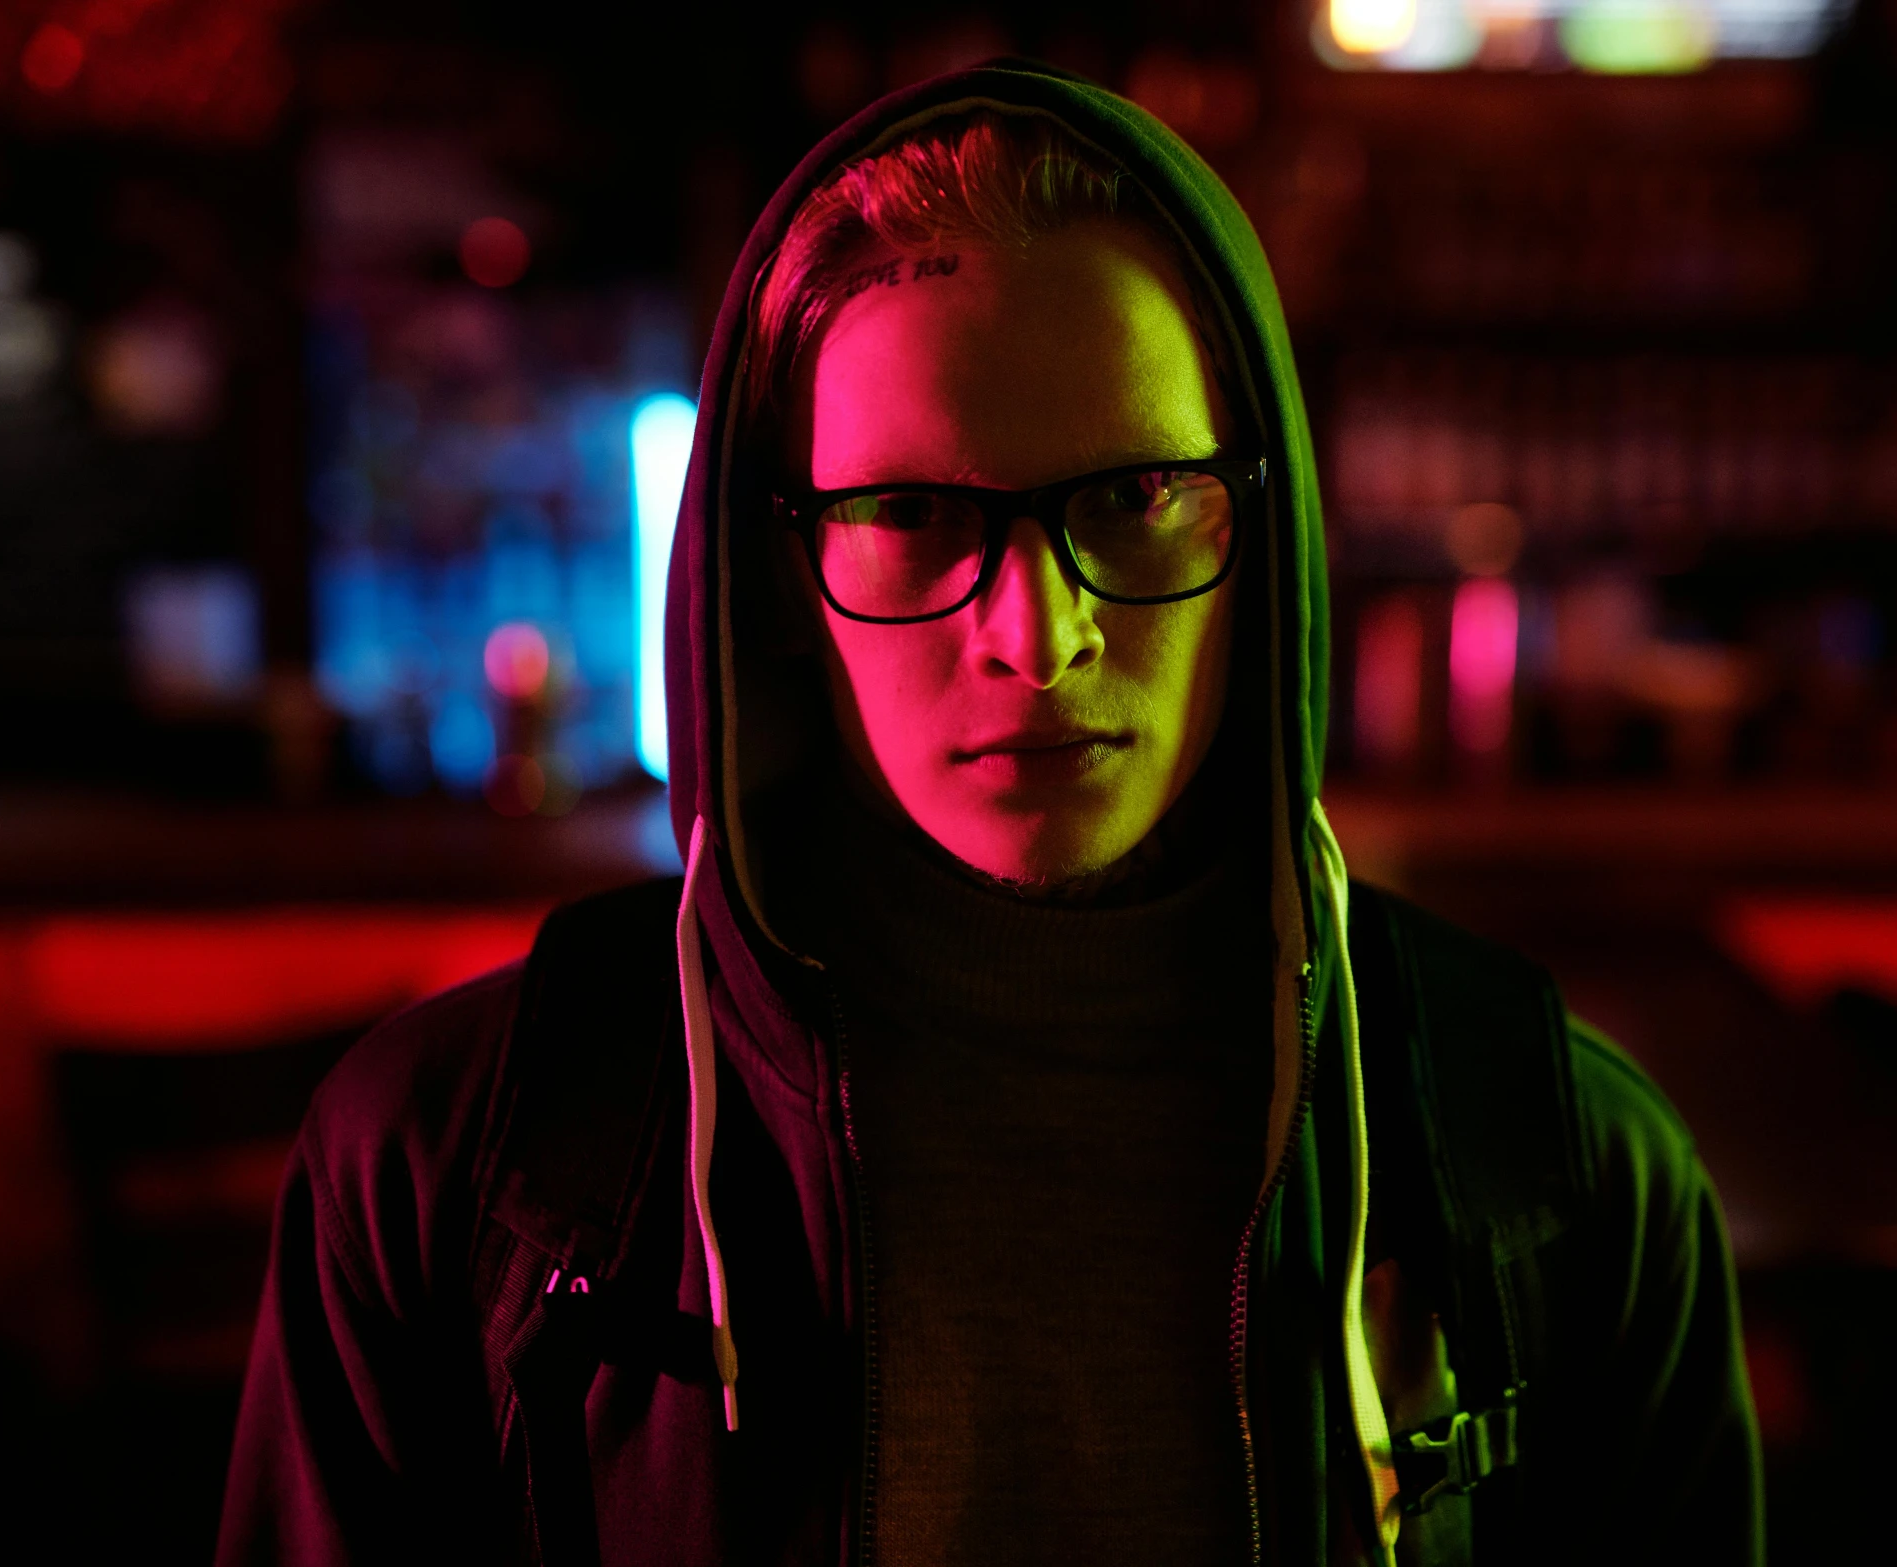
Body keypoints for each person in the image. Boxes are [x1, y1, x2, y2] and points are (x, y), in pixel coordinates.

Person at [219, 61, 1760, 1567]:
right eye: (911, 514)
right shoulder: (458, 1170)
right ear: (769, 573)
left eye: (1134, 496)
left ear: (1262, 521)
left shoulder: (1554, 1170)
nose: (1040, 634)